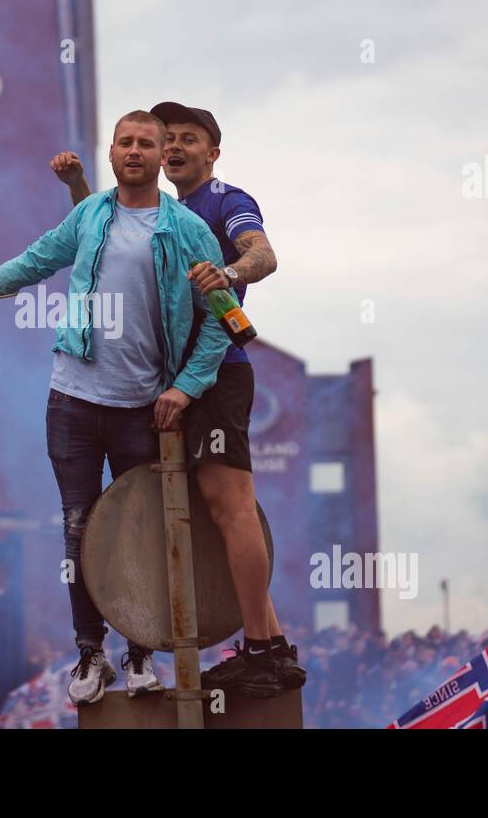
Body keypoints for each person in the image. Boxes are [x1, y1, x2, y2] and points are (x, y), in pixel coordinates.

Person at [0, 110, 230, 705]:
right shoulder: (90, 215)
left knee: (138, 532)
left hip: (142, 407)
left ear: (158, 156)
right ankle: (91, 654)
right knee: (78, 528)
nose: (134, 151)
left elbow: (223, 319)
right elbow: (33, 261)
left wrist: (187, 387)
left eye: (146, 144)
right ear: (113, 152)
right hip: (72, 400)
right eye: (124, 142)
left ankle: (141, 653)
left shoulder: (188, 229)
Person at [48, 102, 307, 697]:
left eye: (188, 140)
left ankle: (264, 648)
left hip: (217, 376)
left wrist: (232, 270)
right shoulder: (164, 210)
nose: (173, 149)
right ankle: (268, 644)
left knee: (229, 505)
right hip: (168, 383)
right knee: (190, 512)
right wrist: (78, 185)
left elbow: (264, 254)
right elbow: (97, 239)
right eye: (170, 140)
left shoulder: (224, 200)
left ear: (212, 153)